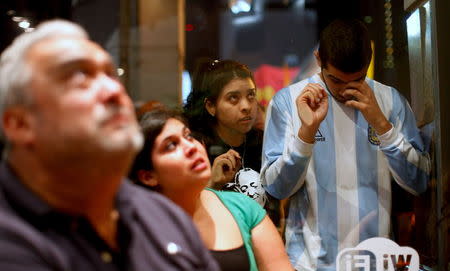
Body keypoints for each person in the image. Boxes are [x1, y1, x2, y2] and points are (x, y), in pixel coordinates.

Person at [0, 20, 219, 271]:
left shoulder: (159, 212)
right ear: (19, 124)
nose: (114, 90)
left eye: (110, 74)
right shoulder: (9, 241)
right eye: (80, 77)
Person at [261, 19, 430, 270]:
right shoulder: (288, 102)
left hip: (377, 262)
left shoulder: (391, 101)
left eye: (358, 79)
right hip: (310, 264)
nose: (345, 90)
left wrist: (383, 127)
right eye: (336, 81)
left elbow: (420, 182)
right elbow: (275, 188)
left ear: (369, 60)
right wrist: (306, 135)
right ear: (319, 59)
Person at [129, 108, 293, 271]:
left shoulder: (242, 207)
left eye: (188, 136)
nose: (191, 146)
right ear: (148, 176)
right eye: (171, 145)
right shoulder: (139, 230)